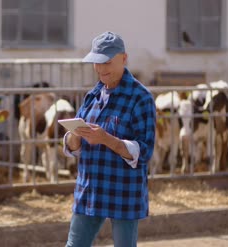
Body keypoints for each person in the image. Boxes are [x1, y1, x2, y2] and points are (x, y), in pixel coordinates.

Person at [63, 31, 156, 247]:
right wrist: (74, 138)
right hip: (90, 189)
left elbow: (145, 151)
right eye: (96, 62)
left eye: (107, 62)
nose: (100, 69)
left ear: (124, 58)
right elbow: (72, 146)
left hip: (123, 190)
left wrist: (107, 139)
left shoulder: (141, 98)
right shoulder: (92, 96)